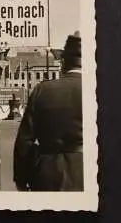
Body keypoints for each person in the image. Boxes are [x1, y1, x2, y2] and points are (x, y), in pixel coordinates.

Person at [13, 31, 83, 191]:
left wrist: (21, 179)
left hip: (47, 175)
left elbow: (24, 142)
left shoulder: (42, 90)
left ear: (64, 61)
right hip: (87, 174)